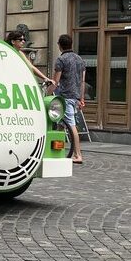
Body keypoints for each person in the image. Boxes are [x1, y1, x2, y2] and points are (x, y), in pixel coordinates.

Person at [52, 34, 86, 165]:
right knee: (61, 125)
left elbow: (55, 81)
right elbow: (82, 81)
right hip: (75, 96)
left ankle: (78, 155)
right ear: (71, 44)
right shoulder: (80, 59)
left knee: (71, 126)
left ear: (60, 45)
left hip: (65, 97)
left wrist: (47, 95)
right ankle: (57, 151)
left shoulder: (61, 60)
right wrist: (81, 98)